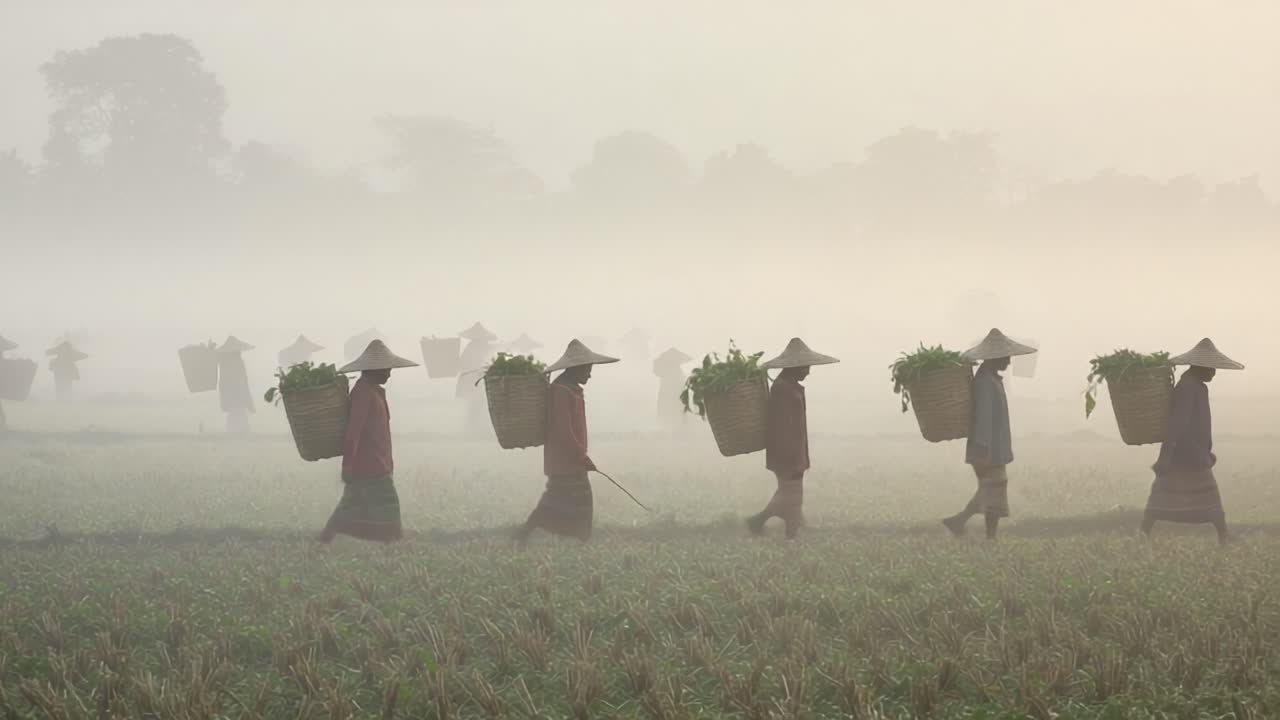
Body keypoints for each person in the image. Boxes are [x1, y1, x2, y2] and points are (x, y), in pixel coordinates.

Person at [516, 339, 619, 543]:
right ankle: (576, 539)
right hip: (566, 461)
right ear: (576, 368)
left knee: (558, 503)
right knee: (570, 502)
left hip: (570, 461)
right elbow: (564, 431)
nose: (589, 374)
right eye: (587, 369)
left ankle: (531, 534)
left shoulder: (571, 388)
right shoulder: (561, 391)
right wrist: (581, 456)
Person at [1141, 338, 1243, 544]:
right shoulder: (1189, 387)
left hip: (1191, 451)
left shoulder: (1193, 385)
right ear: (1200, 367)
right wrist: (1167, 454)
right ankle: (1223, 536)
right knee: (1205, 495)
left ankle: (1144, 532)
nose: (1214, 372)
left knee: (1164, 493)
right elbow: (1178, 422)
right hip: (1187, 452)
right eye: (1211, 368)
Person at [320, 340, 419, 543]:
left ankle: (327, 538)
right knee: (388, 511)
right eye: (387, 369)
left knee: (348, 508)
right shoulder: (363, 394)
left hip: (374, 463)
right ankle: (388, 540)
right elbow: (353, 432)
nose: (389, 374)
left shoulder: (372, 391)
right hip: (370, 466)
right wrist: (347, 465)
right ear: (374, 369)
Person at [943, 328, 1037, 541]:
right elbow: (984, 418)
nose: (1009, 362)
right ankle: (985, 535)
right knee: (993, 491)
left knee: (989, 490)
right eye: (1006, 357)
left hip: (993, 448)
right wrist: (983, 449)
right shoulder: (985, 382)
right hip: (987, 448)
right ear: (995, 358)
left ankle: (960, 522)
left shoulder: (991, 378)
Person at [747, 338, 840, 539]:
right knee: (790, 493)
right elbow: (783, 428)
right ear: (795, 367)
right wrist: (793, 459)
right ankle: (760, 521)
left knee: (791, 493)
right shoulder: (783, 389)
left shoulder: (788, 385)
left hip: (793, 451)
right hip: (787, 453)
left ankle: (793, 528)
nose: (808, 371)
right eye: (805, 367)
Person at [456, 322, 498, 433]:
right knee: (475, 404)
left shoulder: (476, 347)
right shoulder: (475, 347)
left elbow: (461, 364)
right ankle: (472, 427)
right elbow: (464, 364)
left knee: (477, 404)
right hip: (473, 381)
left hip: (476, 380)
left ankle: (473, 427)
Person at [216, 336, 255, 434]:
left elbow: (222, 383)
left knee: (233, 418)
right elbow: (243, 383)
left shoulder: (224, 363)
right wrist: (249, 402)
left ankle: (234, 435)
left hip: (229, 396)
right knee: (239, 418)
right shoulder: (237, 363)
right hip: (238, 397)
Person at [653, 347, 692, 429]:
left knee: (665, 405)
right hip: (676, 386)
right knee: (679, 404)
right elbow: (689, 358)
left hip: (666, 387)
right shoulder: (675, 356)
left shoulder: (663, 358)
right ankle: (682, 425)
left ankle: (664, 424)